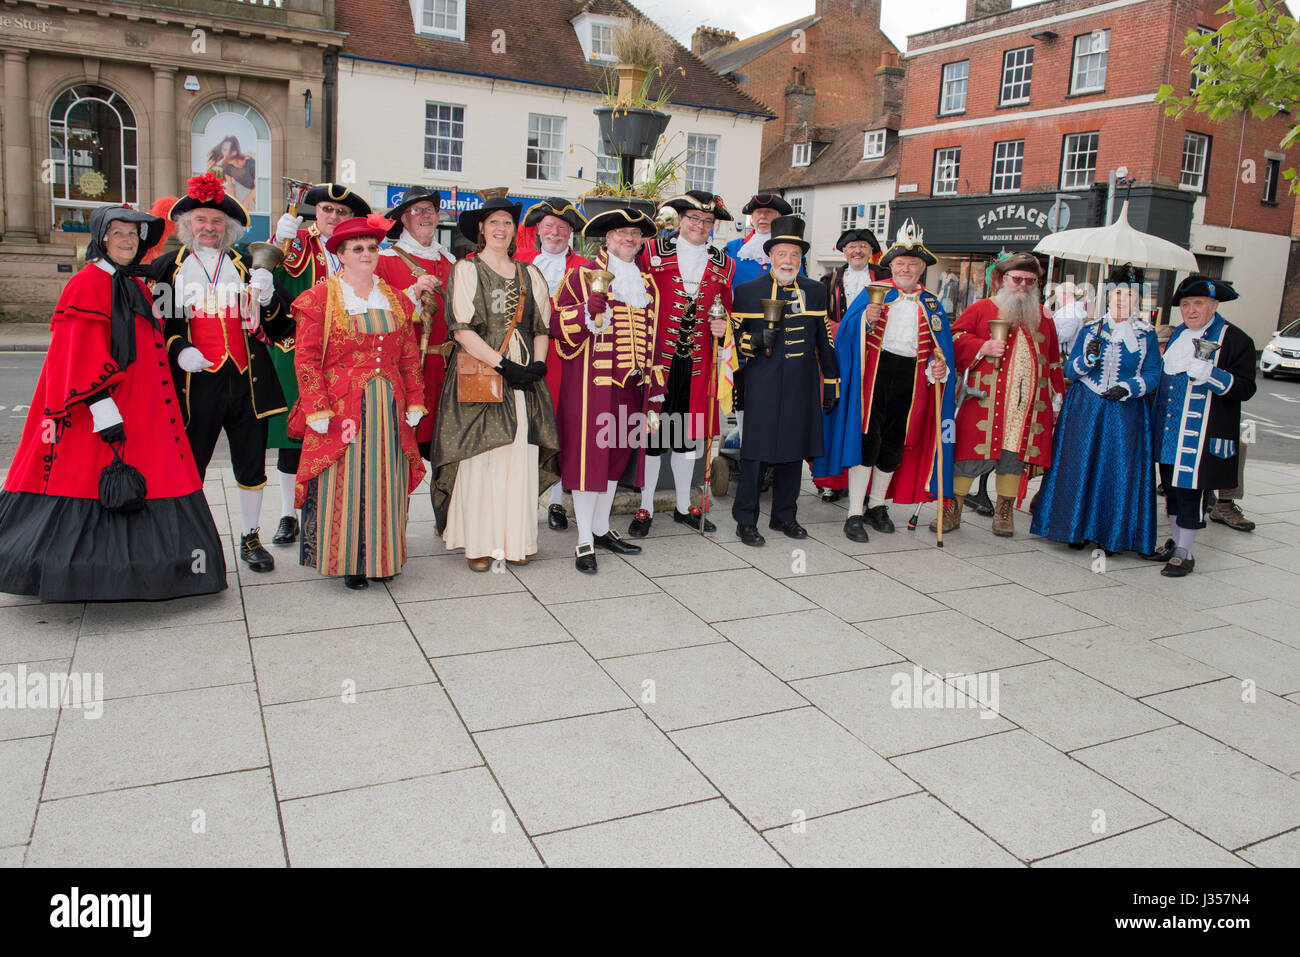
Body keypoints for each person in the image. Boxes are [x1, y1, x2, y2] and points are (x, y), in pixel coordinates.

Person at [0, 205, 227, 601]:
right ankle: (89, 573)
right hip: (104, 409)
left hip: (144, 408)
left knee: (148, 476)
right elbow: (76, 352)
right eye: (117, 232)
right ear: (101, 238)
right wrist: (103, 408)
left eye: (133, 233)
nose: (126, 240)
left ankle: (146, 570)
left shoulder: (133, 283)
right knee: (91, 480)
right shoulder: (87, 284)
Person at [146, 172, 293, 572]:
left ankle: (250, 537)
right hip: (197, 383)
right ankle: (189, 538)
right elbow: (161, 325)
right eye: (201, 220)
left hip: (247, 381)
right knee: (190, 462)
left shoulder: (249, 265)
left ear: (228, 228)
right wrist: (180, 351)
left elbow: (283, 326)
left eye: (216, 222)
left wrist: (267, 297)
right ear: (187, 225)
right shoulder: (167, 268)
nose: (208, 228)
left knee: (251, 462)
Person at [290, 214, 427, 589]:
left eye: (372, 247)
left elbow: (408, 356)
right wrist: (315, 404)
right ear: (342, 254)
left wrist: (415, 399)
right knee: (346, 482)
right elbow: (305, 356)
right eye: (358, 248)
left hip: (389, 407)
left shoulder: (396, 300)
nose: (367, 254)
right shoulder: (320, 298)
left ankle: (384, 556)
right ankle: (349, 560)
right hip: (342, 407)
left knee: (387, 480)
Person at [431, 197, 560, 571]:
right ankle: (479, 544)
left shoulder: (529, 274)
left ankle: (513, 540)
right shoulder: (467, 269)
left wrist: (536, 364)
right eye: (493, 223)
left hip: (522, 373)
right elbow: (461, 329)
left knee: (517, 453)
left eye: (506, 222)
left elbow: (540, 327)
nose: (500, 229)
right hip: (481, 369)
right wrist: (503, 365)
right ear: (482, 230)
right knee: (483, 454)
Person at [814, 219, 954, 543]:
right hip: (874, 376)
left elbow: (941, 350)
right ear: (891, 265)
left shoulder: (932, 303)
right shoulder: (874, 293)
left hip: (913, 379)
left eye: (912, 264)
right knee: (867, 440)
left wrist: (940, 368)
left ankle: (877, 505)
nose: (906, 269)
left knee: (894, 443)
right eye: (900, 263)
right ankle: (854, 512)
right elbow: (846, 334)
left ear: (922, 268)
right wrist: (865, 318)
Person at [552, 207, 663, 573]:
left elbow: (655, 343)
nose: (629, 239)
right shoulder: (581, 276)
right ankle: (584, 539)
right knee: (590, 461)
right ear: (607, 238)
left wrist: (655, 393)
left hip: (633, 387)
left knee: (615, 458)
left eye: (635, 234)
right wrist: (586, 312)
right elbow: (557, 326)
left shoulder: (647, 286)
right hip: (593, 388)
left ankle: (601, 528)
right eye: (620, 233)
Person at [268, 183, 373, 547]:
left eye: (341, 212)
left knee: (335, 434)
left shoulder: (355, 249)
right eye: (327, 209)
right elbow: (268, 276)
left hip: (343, 359)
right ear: (317, 212)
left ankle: (325, 505)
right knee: (292, 434)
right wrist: (275, 242)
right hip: (299, 350)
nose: (333, 217)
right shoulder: (295, 242)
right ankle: (286, 512)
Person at [1031, 265, 1160, 555]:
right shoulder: (1092, 329)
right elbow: (1069, 369)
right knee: (1079, 465)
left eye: (1128, 295)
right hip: (1086, 409)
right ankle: (1072, 529)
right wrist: (1088, 358)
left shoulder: (1146, 334)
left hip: (1124, 411)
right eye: (1116, 294)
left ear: (1137, 299)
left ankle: (1109, 534)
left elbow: (1153, 372)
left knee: (1116, 469)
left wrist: (1129, 388)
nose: (1121, 299)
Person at [631, 190, 735, 536]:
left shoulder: (725, 264)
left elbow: (728, 310)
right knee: (653, 435)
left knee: (687, 439)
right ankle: (645, 507)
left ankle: (680, 506)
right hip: (658, 361)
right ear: (681, 220)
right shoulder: (651, 253)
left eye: (707, 221)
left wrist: (725, 325)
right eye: (694, 218)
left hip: (697, 365)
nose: (700, 225)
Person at [730, 215, 838, 546]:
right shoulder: (748, 292)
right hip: (760, 383)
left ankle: (784, 516)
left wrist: (831, 383)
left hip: (801, 384)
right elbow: (731, 344)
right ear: (771, 257)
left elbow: (825, 341)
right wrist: (753, 342)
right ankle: (746, 519)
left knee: (794, 451)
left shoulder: (816, 291)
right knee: (755, 454)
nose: (787, 261)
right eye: (781, 254)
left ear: (800, 258)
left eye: (794, 255)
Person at [944, 252, 1064, 537]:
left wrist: (1057, 396)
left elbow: (1054, 360)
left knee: (1014, 457)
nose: (1022, 285)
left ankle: (1004, 511)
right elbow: (953, 338)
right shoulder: (981, 308)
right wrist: (982, 347)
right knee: (966, 457)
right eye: (1017, 279)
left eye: (1030, 280)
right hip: (983, 400)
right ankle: (953, 508)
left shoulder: (1044, 317)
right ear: (1003, 279)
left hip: (1026, 407)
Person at [1147, 275, 1257, 577]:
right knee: (1171, 489)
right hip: (1168, 433)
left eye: (1198, 304)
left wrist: (1211, 374)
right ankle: (1175, 541)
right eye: (1185, 304)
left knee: (1192, 493)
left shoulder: (1236, 339)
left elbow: (1246, 388)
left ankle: (1186, 551)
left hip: (1201, 435)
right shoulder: (1177, 336)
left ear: (1214, 305)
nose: (1191, 310)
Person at [514, 197, 591, 531]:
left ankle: (557, 501)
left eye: (562, 227)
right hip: (521, 355)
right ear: (539, 231)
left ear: (570, 232)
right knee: (520, 427)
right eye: (549, 226)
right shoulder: (518, 262)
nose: (555, 233)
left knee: (557, 427)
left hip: (565, 358)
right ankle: (517, 501)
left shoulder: (586, 268)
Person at [374, 186, 455, 461]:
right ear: (404, 220)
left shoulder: (449, 261)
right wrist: (412, 295)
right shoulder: (384, 262)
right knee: (398, 455)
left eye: (430, 210)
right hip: (406, 373)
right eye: (416, 211)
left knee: (445, 458)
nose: (425, 216)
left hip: (445, 374)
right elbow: (376, 316)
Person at [814, 227, 889, 503]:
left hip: (877, 358)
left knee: (870, 420)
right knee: (835, 417)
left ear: (871, 251)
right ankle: (834, 481)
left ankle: (866, 487)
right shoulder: (827, 280)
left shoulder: (885, 278)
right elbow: (820, 318)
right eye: (852, 247)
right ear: (843, 251)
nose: (857, 251)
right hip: (839, 358)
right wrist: (844, 330)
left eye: (862, 246)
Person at [725, 194, 792, 443]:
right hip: (743, 336)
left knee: (776, 395)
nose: (763, 217)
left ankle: (772, 449)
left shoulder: (791, 253)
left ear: (779, 218)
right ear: (751, 218)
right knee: (742, 393)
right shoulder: (733, 249)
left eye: (770, 213)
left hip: (780, 335)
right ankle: (746, 446)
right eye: (759, 213)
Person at [1051, 280, 1089, 360]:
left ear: (1065, 295)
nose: (1057, 300)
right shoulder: (1073, 310)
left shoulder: (1070, 312)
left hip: (1065, 358)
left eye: (1058, 296)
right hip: (1069, 355)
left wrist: (1048, 332)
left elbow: (1065, 335)